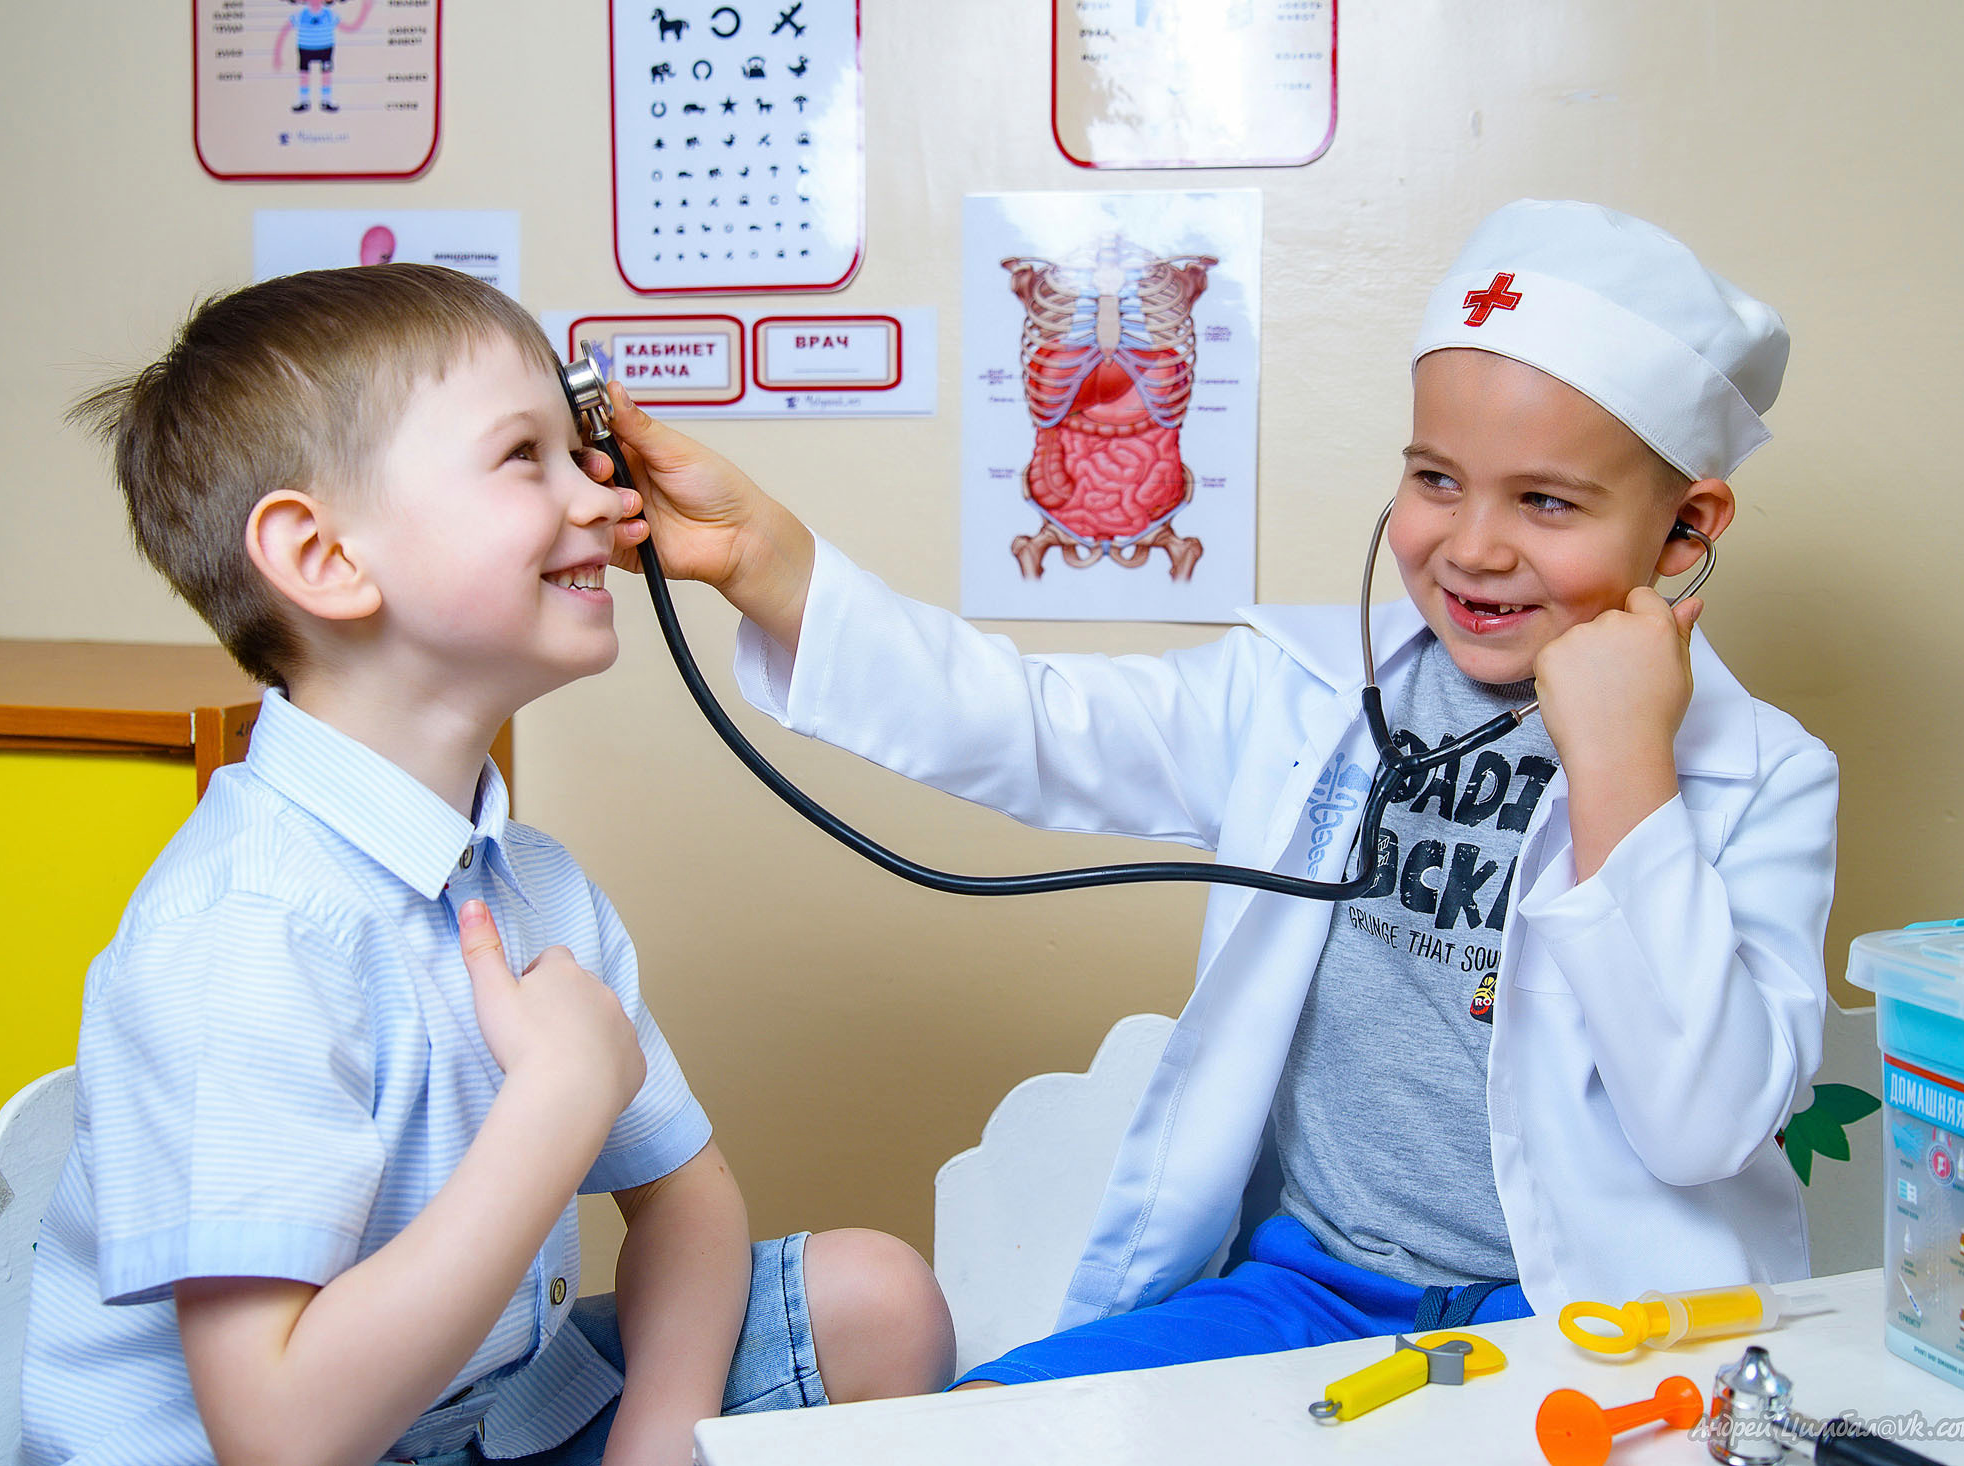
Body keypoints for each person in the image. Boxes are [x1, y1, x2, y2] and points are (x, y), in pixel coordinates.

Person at [583, 200, 1839, 1385]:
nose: (1472, 546)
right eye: (1435, 478)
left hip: (1589, 1316)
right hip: (1304, 1297)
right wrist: (773, 566)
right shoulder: (1295, 690)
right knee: (974, 1436)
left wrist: (1624, 766)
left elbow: (1700, 1124)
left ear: (1685, 530)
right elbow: (1033, 723)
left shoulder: (1763, 777)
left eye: (1546, 502)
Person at [18, 263, 953, 1466]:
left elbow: (689, 1194)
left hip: (478, 1415)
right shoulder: (246, 926)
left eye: (584, 452)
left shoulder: (533, 879)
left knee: (878, 1296)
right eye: (528, 457)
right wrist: (556, 1103)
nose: (606, 501)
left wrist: (655, 1443)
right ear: (323, 555)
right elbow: (279, 1434)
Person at [273, 0, 373, 114]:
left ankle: (326, 101)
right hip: (305, 48)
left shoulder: (330, 15)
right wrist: (277, 55)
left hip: (325, 49)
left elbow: (350, 28)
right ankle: (304, 101)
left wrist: (365, 11)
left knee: (326, 75)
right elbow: (284, 32)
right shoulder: (300, 15)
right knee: (304, 75)